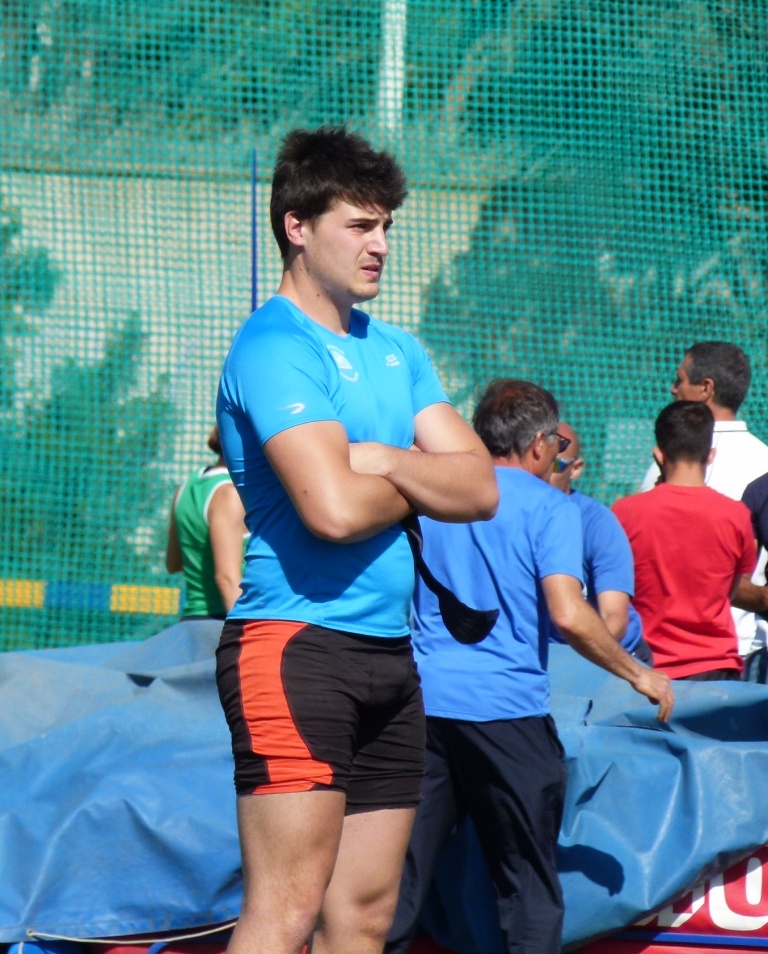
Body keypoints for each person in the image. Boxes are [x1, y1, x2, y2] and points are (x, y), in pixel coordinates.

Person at [214, 126, 499, 954]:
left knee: (366, 919)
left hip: (389, 655)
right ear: (297, 227)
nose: (380, 246)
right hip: (295, 647)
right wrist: (421, 475)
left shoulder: (397, 350)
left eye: (387, 227)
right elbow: (332, 511)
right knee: (285, 912)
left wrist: (385, 459)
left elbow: (481, 489)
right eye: (360, 225)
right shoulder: (273, 345)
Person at [385, 378, 673, 954]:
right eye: (558, 447)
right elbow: (568, 613)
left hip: (421, 710)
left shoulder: (429, 496)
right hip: (505, 714)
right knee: (528, 889)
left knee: (395, 884)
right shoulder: (550, 506)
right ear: (540, 444)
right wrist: (638, 672)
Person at [639, 341, 768, 678]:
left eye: (680, 379)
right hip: (741, 647)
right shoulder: (763, 461)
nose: (673, 388)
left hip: (662, 652)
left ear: (706, 388)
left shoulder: (669, 459)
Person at [615, 401, 756, 680]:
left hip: (644, 669)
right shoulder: (737, 515)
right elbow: (731, 590)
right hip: (716, 666)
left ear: (659, 454)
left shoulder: (624, 513)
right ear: (711, 455)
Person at [548, 421, 652, 664]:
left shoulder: (597, 523)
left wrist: (574, 668)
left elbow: (615, 619)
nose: (542, 472)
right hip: (551, 654)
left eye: (555, 464)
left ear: (575, 469)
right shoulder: (513, 515)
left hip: (611, 655)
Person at [166, 425, 247, 618]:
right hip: (225, 622)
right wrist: (245, 633)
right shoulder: (230, 494)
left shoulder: (186, 487)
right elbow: (227, 579)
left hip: (192, 622)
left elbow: (174, 563)